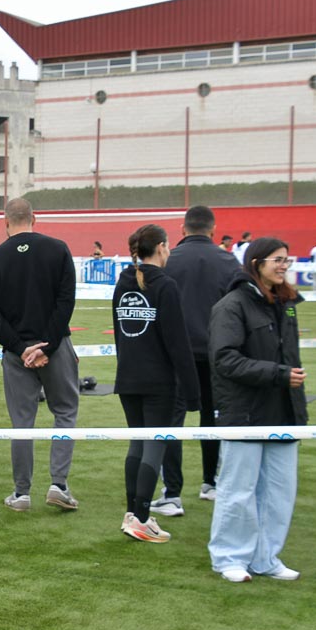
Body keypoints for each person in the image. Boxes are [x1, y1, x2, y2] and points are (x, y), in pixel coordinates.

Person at [208, 237, 307, 583]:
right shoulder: (231, 305)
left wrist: (290, 388)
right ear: (256, 263)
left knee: (279, 493)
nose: (284, 266)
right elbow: (224, 360)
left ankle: (266, 558)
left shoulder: (287, 303)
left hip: (284, 413)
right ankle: (229, 558)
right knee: (238, 491)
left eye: (286, 260)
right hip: (245, 413)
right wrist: (278, 374)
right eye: (277, 259)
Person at [0, 198, 80, 513]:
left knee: (22, 422)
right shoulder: (58, 249)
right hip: (55, 347)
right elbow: (66, 301)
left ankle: (21, 493)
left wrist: (22, 348)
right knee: (65, 411)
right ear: (34, 218)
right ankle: (59, 485)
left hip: (16, 353)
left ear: (6, 223)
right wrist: (46, 346)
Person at [112, 225, 200, 543]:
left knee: (138, 443)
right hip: (157, 382)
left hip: (128, 377)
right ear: (161, 247)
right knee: (153, 445)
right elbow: (178, 344)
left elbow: (120, 335)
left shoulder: (123, 282)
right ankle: (141, 517)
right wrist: (193, 394)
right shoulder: (165, 285)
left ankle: (133, 514)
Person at [154, 206, 243, 516]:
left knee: (172, 421)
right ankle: (212, 483)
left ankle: (172, 494)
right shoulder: (229, 261)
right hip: (218, 353)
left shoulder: (169, 260)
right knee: (213, 417)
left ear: (183, 229)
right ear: (213, 229)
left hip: (176, 355)